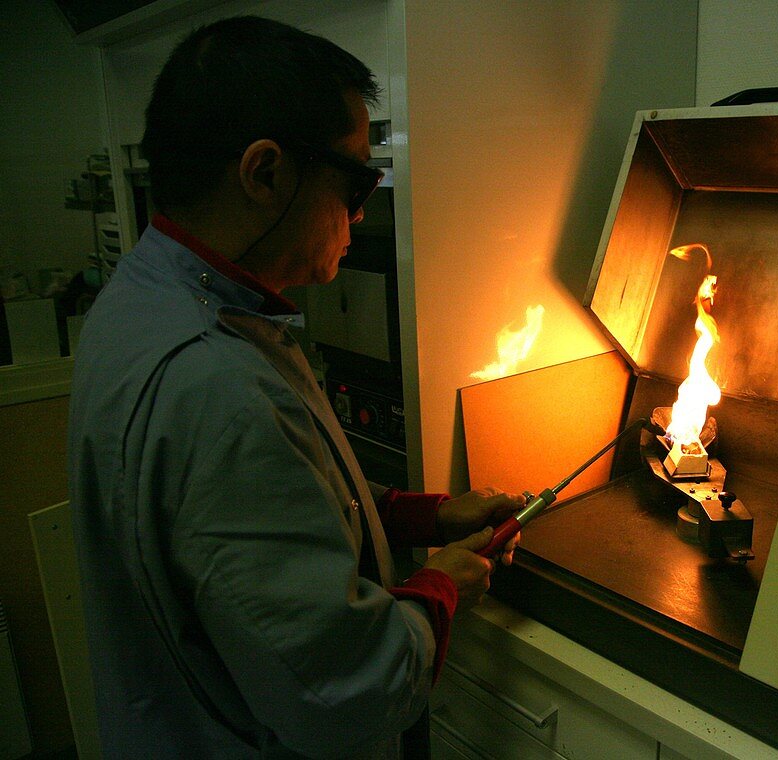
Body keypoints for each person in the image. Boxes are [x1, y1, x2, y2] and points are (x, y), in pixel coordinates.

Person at [67, 15, 522, 759]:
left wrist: (419, 517)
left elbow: (263, 512)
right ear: (265, 173)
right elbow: (349, 694)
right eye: (357, 179)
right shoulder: (213, 381)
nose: (364, 209)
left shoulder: (148, 298)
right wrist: (442, 587)